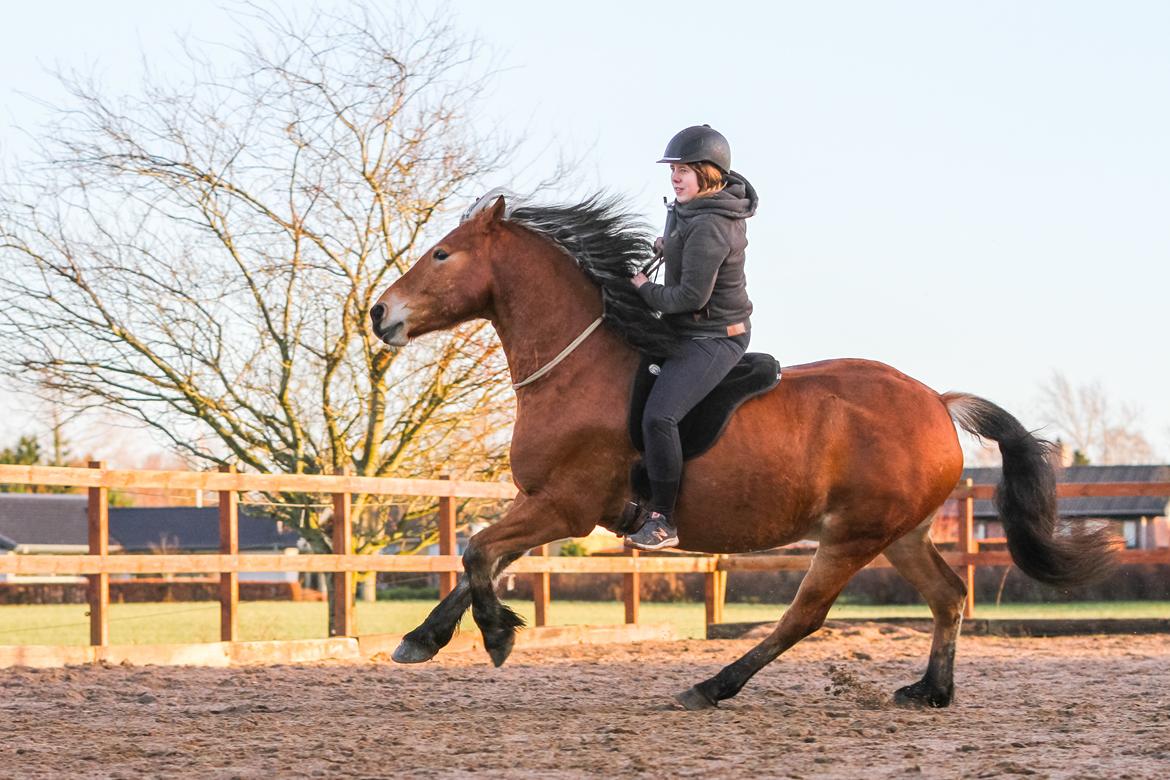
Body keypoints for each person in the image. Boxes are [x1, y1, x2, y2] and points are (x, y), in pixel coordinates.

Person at [625, 124, 758, 551]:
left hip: (715, 337)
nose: (675, 177)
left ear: (708, 172)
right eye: (673, 169)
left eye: (683, 170)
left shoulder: (712, 226)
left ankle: (665, 518)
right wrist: (669, 245)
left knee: (659, 416)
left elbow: (687, 296)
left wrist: (643, 288)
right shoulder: (688, 207)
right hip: (688, 328)